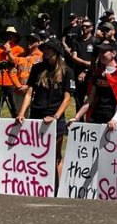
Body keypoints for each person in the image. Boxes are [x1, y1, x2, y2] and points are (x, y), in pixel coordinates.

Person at [16, 39, 75, 177]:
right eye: (44, 48)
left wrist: (55, 117)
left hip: (55, 117)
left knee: (55, 155)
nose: (45, 51)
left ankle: (58, 192)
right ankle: (37, 186)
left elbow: (67, 98)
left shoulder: (67, 71)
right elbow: (29, 93)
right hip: (37, 114)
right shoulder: (37, 68)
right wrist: (21, 113)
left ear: (56, 51)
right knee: (35, 153)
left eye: (49, 48)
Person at [70, 43, 117, 124]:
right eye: (100, 52)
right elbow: (91, 98)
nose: (101, 54)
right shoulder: (98, 73)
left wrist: (115, 119)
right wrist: (77, 117)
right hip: (96, 114)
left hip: (113, 117)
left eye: (104, 52)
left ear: (113, 54)